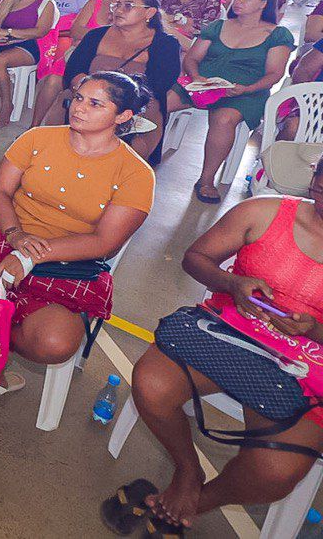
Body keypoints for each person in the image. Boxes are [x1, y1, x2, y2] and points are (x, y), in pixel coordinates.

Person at [111, 163, 323, 535]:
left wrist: (316, 329)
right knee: (152, 384)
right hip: (230, 334)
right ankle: (187, 468)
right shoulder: (267, 211)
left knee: (278, 471)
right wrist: (233, 283)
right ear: (314, 180)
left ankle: (194, 500)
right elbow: (196, 258)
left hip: (307, 365)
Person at [0, 72, 154, 405]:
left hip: (70, 258)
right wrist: (16, 236)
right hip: (10, 233)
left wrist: (31, 256)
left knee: (54, 343)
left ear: (123, 117)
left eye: (95, 104)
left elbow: (105, 242)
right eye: (78, 98)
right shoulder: (38, 138)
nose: (79, 108)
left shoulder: (135, 174)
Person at [165, 0, 294, 203]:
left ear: (264, 3)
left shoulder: (276, 34)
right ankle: (142, 154)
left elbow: (274, 74)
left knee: (224, 119)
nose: (238, 1)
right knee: (160, 102)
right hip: (202, 84)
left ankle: (206, 179)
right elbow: (193, 58)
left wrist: (246, 89)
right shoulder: (218, 26)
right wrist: (197, 78)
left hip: (245, 91)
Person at [63, 0, 182, 162]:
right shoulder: (96, 35)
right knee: (70, 101)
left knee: (139, 124)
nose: (119, 10)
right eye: (117, 4)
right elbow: (74, 69)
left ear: (149, 12)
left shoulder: (166, 44)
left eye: (128, 6)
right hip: (89, 96)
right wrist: (86, 89)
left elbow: (159, 84)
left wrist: (115, 99)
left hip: (138, 105)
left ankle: (125, 169)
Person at [0, 0, 57, 123]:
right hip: (3, 42)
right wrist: (0, 35)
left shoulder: (46, 4)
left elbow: (41, 31)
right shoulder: (8, 1)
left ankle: (6, 105)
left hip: (29, 46)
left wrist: (10, 32)